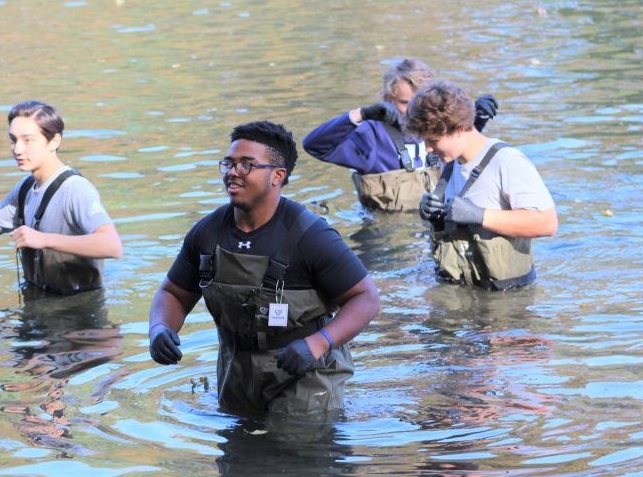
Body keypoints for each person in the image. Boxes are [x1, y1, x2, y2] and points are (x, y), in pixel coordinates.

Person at [148, 120, 380, 415]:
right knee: (237, 457)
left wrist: (319, 343)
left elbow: (366, 298)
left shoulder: (312, 236)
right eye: (229, 164)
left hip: (306, 373)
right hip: (236, 372)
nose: (233, 172)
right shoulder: (207, 233)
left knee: (297, 451)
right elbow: (173, 293)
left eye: (246, 165)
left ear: (277, 176)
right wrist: (159, 328)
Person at [0, 100, 122, 295]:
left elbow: (112, 245)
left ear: (54, 142)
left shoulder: (75, 189)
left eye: (28, 140)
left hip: (80, 312)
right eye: (13, 140)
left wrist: (43, 239)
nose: (17, 149)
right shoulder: (24, 189)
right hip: (38, 304)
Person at [405, 80, 558, 290]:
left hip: (507, 300)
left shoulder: (506, 160)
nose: (428, 149)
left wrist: (479, 215)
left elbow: (547, 223)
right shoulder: (451, 166)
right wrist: (436, 216)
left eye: (432, 140)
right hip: (463, 291)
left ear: (459, 129)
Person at [303, 58, 499, 212]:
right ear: (388, 98)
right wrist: (361, 114)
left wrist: (474, 119)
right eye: (406, 103)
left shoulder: (442, 130)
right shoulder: (370, 136)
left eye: (421, 101)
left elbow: (464, 158)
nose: (415, 109)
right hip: (389, 239)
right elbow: (315, 145)